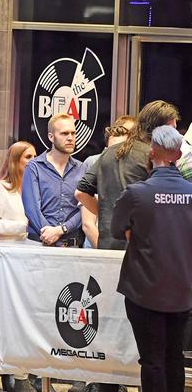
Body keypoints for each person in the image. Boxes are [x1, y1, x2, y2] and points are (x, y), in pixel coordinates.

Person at [110, 125, 192, 392]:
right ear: (178, 154)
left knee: (153, 361)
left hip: (144, 290)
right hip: (183, 291)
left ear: (152, 151)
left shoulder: (136, 193)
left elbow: (116, 229)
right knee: (174, 358)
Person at [76, 100, 179, 250]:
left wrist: (108, 213)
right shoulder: (158, 157)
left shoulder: (109, 153)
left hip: (108, 245)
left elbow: (80, 193)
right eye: (172, 129)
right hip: (144, 249)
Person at [0, 141, 36, 392]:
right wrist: (22, 227)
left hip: (33, 259)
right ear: (16, 160)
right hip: (9, 258)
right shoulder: (1, 187)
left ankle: (32, 374)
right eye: (28, 156)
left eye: (35, 156)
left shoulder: (36, 187)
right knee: (9, 318)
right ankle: (10, 377)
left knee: (32, 317)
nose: (33, 160)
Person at [21, 113, 84, 248]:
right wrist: (49, 233)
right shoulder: (34, 167)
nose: (70, 138)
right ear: (51, 137)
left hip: (71, 246)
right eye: (64, 133)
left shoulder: (81, 168)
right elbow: (32, 208)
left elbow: (85, 209)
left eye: (73, 133)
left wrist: (60, 230)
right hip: (39, 242)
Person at [80, 120, 134, 249]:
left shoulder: (135, 169)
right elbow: (87, 223)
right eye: (111, 149)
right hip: (98, 246)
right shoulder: (95, 163)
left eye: (121, 147)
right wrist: (103, 251)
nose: (116, 154)